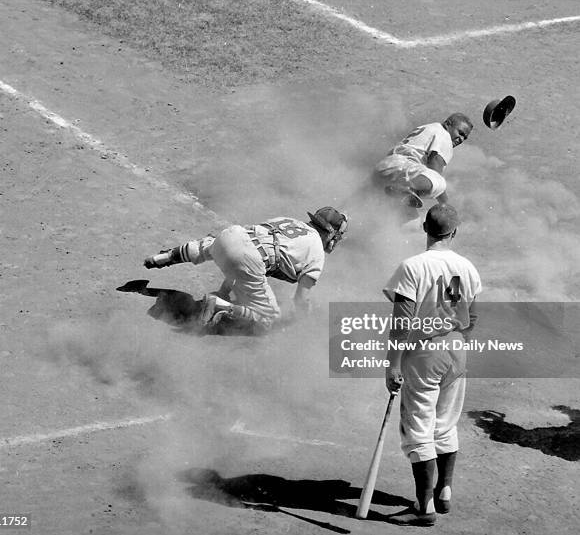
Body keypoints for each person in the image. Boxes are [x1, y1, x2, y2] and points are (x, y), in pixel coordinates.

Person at [382, 204, 481, 526]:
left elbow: (402, 322)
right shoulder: (462, 266)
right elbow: (469, 317)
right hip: (456, 350)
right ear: (454, 232)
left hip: (425, 355)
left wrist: (392, 365)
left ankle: (423, 509)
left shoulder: (413, 266)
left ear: (424, 228)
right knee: (445, 423)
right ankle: (444, 492)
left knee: (419, 429)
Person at [143, 207, 348, 334]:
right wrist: (304, 321)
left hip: (231, 236)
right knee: (270, 319)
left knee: (209, 246)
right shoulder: (317, 254)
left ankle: (166, 256)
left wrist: (225, 288)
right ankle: (220, 306)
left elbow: (242, 256)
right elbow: (301, 299)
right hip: (248, 258)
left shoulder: (290, 221)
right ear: (331, 234)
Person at [374, 113, 473, 209]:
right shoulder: (444, 135)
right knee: (439, 183)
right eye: (460, 133)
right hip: (402, 170)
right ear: (448, 124)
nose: (461, 139)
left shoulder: (430, 128)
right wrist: (447, 205)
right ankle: (404, 186)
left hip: (386, 168)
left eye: (465, 137)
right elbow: (435, 166)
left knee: (411, 221)